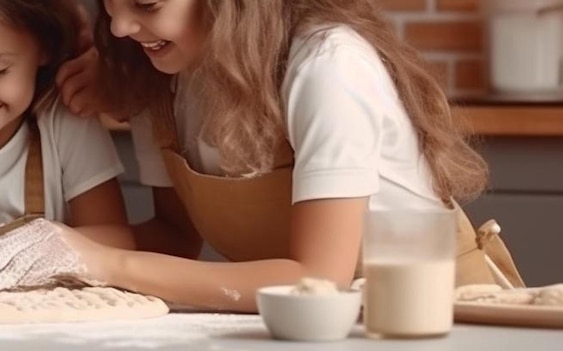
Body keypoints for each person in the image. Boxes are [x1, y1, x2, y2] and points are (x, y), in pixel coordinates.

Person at [54, 0, 525, 312]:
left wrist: (102, 263)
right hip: (316, 327)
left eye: (148, 3)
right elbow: (176, 237)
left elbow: (319, 280)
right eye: (110, 2)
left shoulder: (326, 63)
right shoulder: (161, 71)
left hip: (438, 320)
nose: (119, 26)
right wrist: (49, 248)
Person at [0, 0, 133, 249]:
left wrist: (19, 250)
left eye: (0, 71)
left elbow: (116, 241)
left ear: (44, 47)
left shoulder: (65, 120)